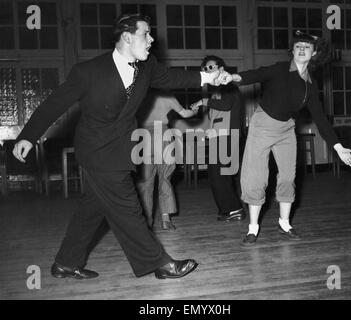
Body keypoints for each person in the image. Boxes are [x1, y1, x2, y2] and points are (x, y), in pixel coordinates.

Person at [12, 14, 232, 280]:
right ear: (127, 38)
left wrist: (210, 78)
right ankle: (160, 264)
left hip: (121, 147)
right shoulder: (89, 71)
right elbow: (55, 103)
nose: (152, 40)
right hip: (96, 150)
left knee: (92, 209)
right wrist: (28, 136)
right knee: (128, 206)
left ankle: (65, 263)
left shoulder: (147, 66)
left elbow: (174, 78)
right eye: (146, 34)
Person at [232, 31, 351, 245]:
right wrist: (234, 77)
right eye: (298, 45)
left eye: (306, 47)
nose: (301, 49)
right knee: (256, 178)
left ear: (314, 53)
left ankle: (285, 224)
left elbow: (320, 117)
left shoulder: (310, 84)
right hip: (262, 124)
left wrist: (338, 146)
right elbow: (256, 74)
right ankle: (253, 229)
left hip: (286, 129)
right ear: (292, 50)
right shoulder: (280, 69)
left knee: (288, 177)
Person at [190, 55, 246, 222]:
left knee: (219, 174)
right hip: (219, 138)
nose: (208, 71)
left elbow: (227, 106)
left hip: (228, 138)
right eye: (206, 69)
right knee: (217, 175)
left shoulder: (229, 87)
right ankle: (229, 209)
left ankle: (234, 209)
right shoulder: (216, 93)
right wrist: (210, 131)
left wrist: (202, 101)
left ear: (221, 69)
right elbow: (219, 117)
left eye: (211, 67)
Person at [135, 89, 197, 230]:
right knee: (165, 177)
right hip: (163, 135)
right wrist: (195, 110)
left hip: (143, 136)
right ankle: (165, 220)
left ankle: (147, 222)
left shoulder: (138, 93)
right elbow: (185, 114)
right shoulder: (166, 95)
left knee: (146, 181)